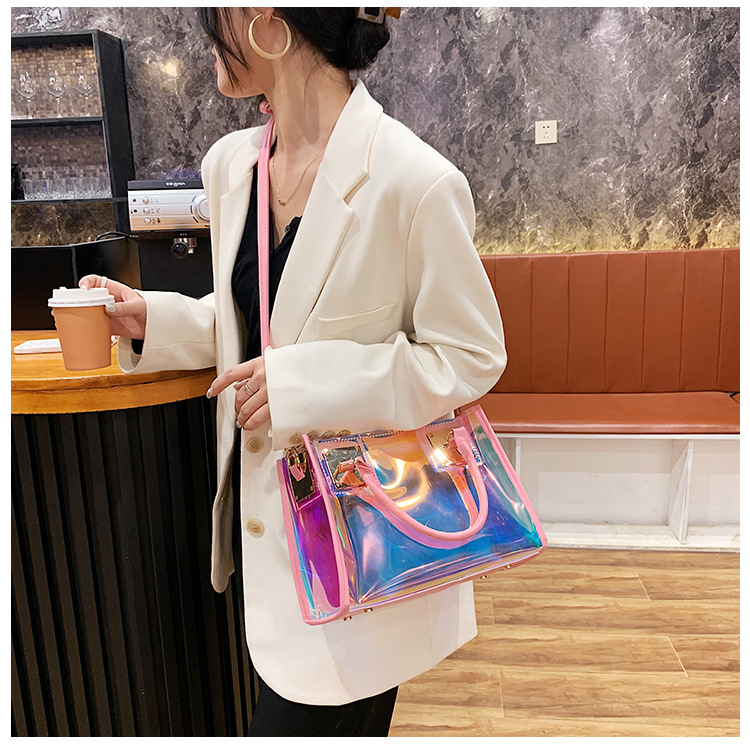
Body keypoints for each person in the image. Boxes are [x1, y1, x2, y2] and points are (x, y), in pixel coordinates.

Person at [80, 6, 506, 737]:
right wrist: (155, 318)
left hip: (362, 548)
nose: (204, 29)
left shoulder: (415, 181)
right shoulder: (233, 166)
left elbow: (468, 356)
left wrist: (303, 385)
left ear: (266, 19)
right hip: (262, 552)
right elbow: (259, 318)